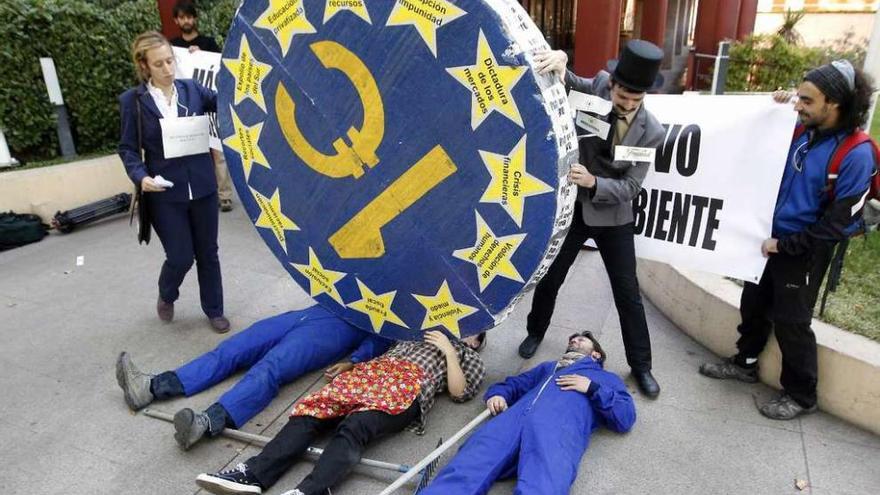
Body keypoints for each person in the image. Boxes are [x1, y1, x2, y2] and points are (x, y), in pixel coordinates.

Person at [699, 60, 876, 420]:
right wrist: (774, 108)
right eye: (798, 98)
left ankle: (801, 395)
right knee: (753, 302)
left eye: (807, 101)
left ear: (835, 104)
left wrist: (784, 246)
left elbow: (836, 224)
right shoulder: (800, 129)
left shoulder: (857, 154)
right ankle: (745, 362)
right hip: (770, 238)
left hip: (805, 250)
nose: (799, 106)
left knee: (792, 321)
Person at [520, 40, 667, 398]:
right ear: (613, 84)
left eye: (636, 100)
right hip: (575, 208)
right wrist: (561, 59)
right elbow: (566, 79)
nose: (627, 104)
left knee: (627, 292)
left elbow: (632, 186)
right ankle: (535, 331)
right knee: (551, 275)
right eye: (623, 95)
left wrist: (595, 182)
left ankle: (642, 366)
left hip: (614, 215)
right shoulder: (599, 84)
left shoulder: (652, 131)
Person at [194, 331, 487, 495]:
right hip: (369, 375)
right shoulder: (415, 335)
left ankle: (312, 492)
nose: (459, 325)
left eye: (470, 328)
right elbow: (379, 350)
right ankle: (254, 474)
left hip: (405, 387)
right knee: (310, 412)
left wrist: (450, 350)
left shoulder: (467, 356)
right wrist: (352, 364)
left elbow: (459, 392)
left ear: (477, 341)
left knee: (356, 425)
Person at [115, 305, 392, 450]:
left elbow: (387, 330)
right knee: (232, 349)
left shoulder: (407, 275)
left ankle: (207, 423)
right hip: (310, 313)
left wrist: (354, 361)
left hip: (335, 333)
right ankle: (151, 388)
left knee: (271, 368)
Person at [421, 331, 635, 495]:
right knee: (466, 467)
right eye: (572, 339)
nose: (574, 341)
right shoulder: (548, 368)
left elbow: (625, 417)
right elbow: (513, 384)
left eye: (581, 340)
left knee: (542, 485)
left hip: (556, 432)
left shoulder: (606, 379)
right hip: (509, 424)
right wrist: (499, 395)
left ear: (596, 354)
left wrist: (592, 388)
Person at [118, 31, 228, 332]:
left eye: (170, 61)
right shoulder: (133, 102)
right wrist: (141, 178)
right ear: (144, 67)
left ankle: (214, 309)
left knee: (208, 252)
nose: (168, 70)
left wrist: (234, 69)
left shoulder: (192, 89)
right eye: (159, 64)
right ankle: (167, 293)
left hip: (203, 187)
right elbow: (127, 148)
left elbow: (225, 101)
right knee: (180, 257)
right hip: (165, 192)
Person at [169, 0, 235, 212]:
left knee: (218, 152)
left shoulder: (208, 43)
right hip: (187, 107)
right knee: (191, 154)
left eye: (189, 16)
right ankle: (198, 194)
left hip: (209, 103)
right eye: (182, 17)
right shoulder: (173, 46)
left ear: (194, 18)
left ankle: (224, 195)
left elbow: (219, 67)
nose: (186, 21)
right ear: (176, 20)